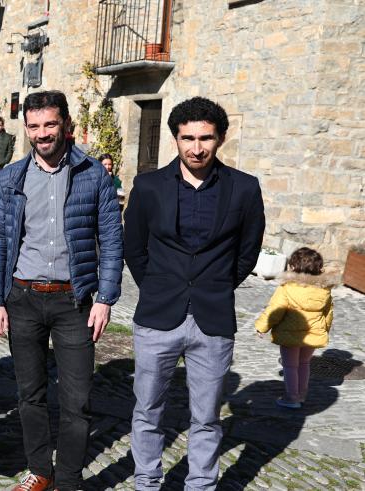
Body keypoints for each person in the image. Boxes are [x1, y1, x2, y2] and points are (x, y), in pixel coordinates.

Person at [0, 90, 123, 491]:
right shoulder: (9, 178)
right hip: (23, 298)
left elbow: (112, 240)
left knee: (77, 400)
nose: (42, 134)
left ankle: (68, 479)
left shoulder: (93, 174)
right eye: (34, 126)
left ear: (65, 124)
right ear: (25, 128)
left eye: (49, 124)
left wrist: (105, 298)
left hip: (74, 301)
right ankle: (40, 470)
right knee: (29, 394)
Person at [124, 96, 265, 490]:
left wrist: (217, 286)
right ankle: (147, 482)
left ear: (220, 139)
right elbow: (133, 246)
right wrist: (156, 285)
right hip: (157, 316)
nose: (197, 147)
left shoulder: (244, 188)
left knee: (206, 417)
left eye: (205, 138)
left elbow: (247, 252)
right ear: (176, 139)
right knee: (148, 411)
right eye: (188, 138)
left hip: (213, 318)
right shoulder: (148, 186)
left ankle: (200, 485)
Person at [254, 247, 334, 409]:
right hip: (313, 335)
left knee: (290, 366)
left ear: (293, 267)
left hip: (290, 335)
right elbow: (328, 313)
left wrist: (262, 327)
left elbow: (275, 310)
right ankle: (302, 395)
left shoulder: (287, 288)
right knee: (304, 363)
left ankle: (292, 398)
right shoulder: (324, 289)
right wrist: (324, 329)